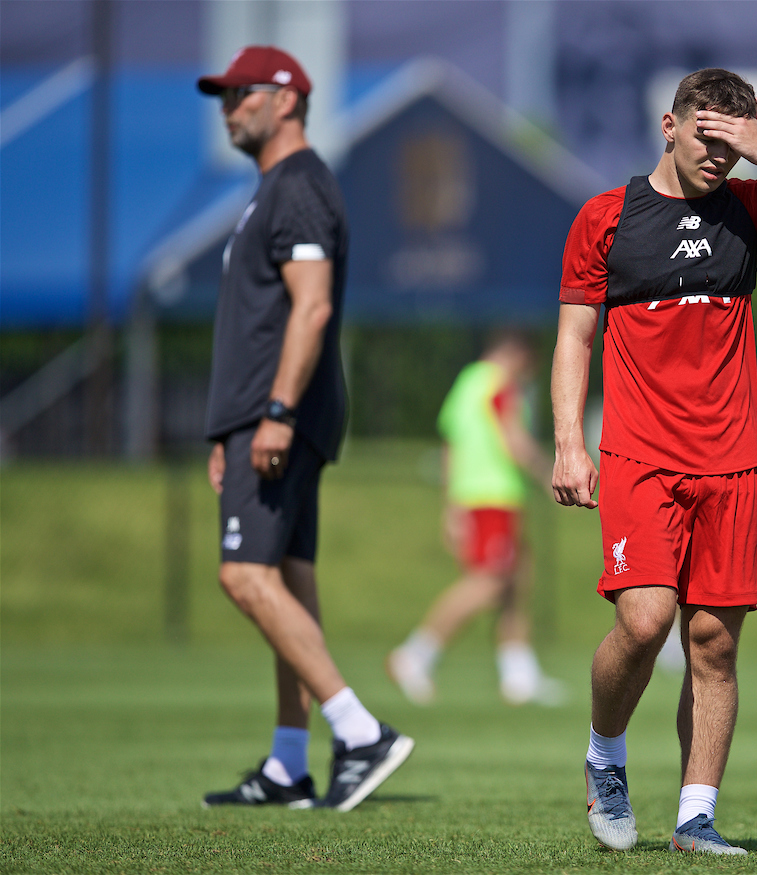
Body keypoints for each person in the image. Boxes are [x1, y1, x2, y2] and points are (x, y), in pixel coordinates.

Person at [550, 68, 757, 854]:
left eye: (733, 142)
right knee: (644, 621)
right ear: (670, 127)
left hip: (733, 463)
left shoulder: (749, 209)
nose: (720, 157)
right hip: (640, 456)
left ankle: (695, 818)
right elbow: (575, 336)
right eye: (707, 137)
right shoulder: (605, 218)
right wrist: (570, 442)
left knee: (712, 642)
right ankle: (604, 754)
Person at [197, 45, 413, 812]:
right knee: (285, 576)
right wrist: (231, 428)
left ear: (287, 99)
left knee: (244, 575)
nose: (229, 108)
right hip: (259, 418)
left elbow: (312, 306)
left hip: (278, 415)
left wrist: (276, 412)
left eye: (241, 94)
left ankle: (360, 731)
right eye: (222, 97)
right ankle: (290, 762)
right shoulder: (274, 189)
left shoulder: (298, 186)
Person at [387, 331, 565, 706]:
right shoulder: (499, 385)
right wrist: (551, 472)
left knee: (518, 580)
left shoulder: (467, 383)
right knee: (488, 583)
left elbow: (450, 445)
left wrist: (450, 506)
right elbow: (513, 440)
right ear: (518, 355)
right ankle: (415, 654)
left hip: (475, 497)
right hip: (492, 496)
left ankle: (519, 676)